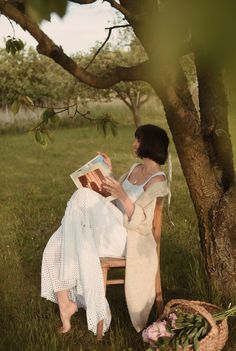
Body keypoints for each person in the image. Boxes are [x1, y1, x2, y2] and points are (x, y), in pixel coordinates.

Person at [41, 124, 170, 336]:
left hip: (129, 239)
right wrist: (105, 171)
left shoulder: (157, 180)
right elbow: (109, 201)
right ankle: (65, 304)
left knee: (82, 197)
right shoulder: (134, 169)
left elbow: (143, 224)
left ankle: (97, 307)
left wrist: (122, 195)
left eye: (138, 140)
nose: (134, 144)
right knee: (55, 244)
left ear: (150, 144)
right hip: (110, 229)